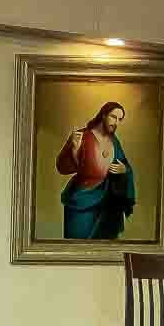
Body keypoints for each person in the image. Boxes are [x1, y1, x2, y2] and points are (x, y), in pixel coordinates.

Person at [56, 100, 135, 239]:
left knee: (103, 249)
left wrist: (125, 170)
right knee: (78, 248)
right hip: (82, 201)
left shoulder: (114, 140)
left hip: (108, 203)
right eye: (113, 117)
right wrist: (74, 149)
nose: (116, 123)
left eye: (119, 119)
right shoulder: (82, 136)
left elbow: (124, 165)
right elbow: (61, 166)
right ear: (103, 115)